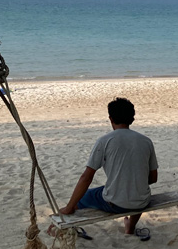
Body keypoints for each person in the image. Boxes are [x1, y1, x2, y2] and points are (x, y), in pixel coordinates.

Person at [59, 97, 157, 238]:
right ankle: (130, 227)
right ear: (132, 119)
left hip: (115, 203)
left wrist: (69, 207)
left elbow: (86, 177)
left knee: (82, 197)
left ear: (110, 119)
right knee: (137, 190)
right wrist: (133, 180)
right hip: (142, 201)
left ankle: (70, 227)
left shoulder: (104, 141)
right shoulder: (146, 141)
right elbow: (153, 178)